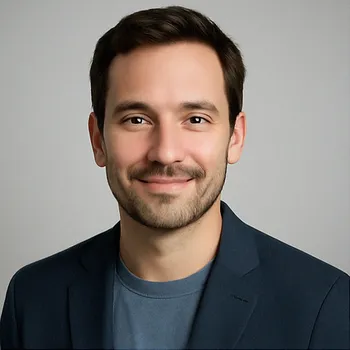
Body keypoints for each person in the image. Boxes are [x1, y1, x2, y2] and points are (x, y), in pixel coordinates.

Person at [0, 5, 349, 349]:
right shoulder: (32, 298)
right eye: (137, 119)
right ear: (98, 140)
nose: (165, 153)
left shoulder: (325, 304)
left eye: (195, 119)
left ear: (235, 137)